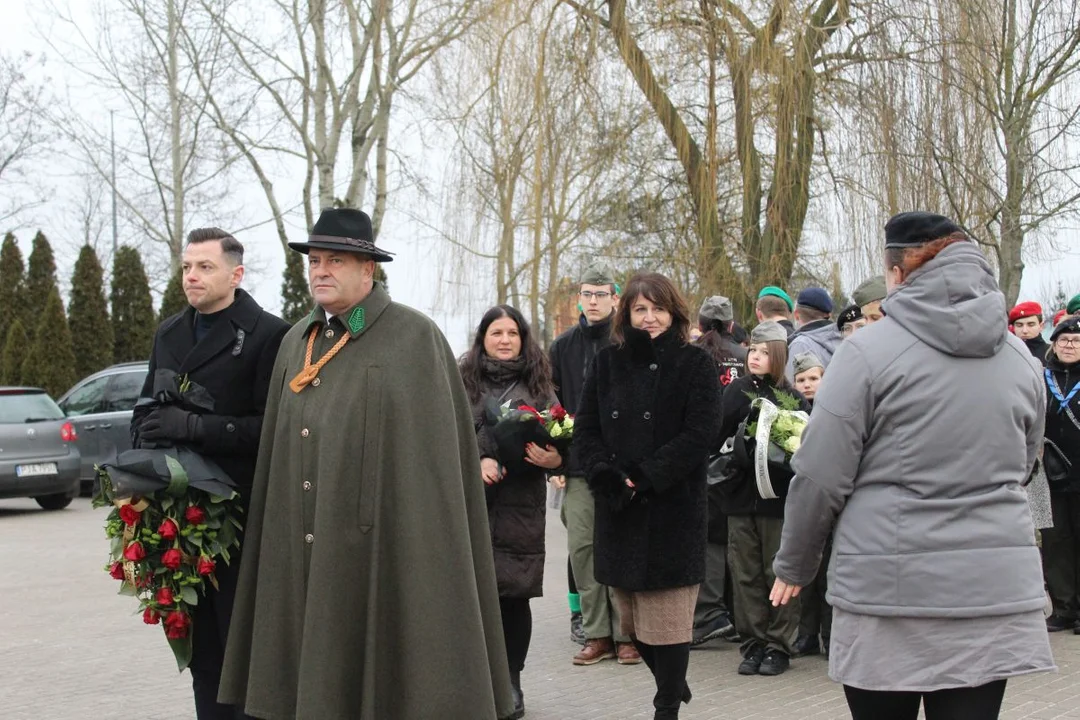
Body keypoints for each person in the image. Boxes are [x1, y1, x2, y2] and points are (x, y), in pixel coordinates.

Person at [217, 208, 516, 720]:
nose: (320, 270)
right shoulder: (297, 341)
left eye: (336, 260)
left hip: (384, 552)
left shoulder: (413, 339)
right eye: (314, 260)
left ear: (368, 270)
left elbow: (433, 472)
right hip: (308, 547)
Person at [771, 211, 1053, 720]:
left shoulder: (863, 354)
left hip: (888, 591)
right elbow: (1025, 464)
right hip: (990, 589)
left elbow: (819, 475)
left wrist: (795, 563)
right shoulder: (1022, 360)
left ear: (897, 271)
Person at [130, 228, 289, 720]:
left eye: (205, 267)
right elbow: (145, 401)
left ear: (236, 275)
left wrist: (198, 427)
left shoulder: (268, 334)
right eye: (186, 267)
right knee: (199, 651)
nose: (192, 277)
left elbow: (272, 429)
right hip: (178, 516)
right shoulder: (170, 332)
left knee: (240, 650)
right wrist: (144, 436)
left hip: (237, 516)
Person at [575, 272, 720, 720]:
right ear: (627, 314)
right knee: (633, 628)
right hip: (619, 509)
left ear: (674, 312)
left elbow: (700, 435)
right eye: (640, 309)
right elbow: (587, 429)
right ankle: (673, 685)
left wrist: (643, 476)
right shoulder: (606, 362)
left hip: (673, 509)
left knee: (671, 626)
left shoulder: (695, 363)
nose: (650, 317)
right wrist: (605, 474)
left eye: (658, 308)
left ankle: (667, 705)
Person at [460, 304, 562, 718]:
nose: (505, 340)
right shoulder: (461, 380)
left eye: (512, 333)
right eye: (496, 333)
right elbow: (443, 433)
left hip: (521, 505)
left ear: (523, 338)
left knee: (514, 600)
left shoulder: (539, 384)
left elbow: (559, 432)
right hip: (471, 504)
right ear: (482, 338)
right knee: (471, 597)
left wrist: (555, 460)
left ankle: (512, 684)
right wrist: (476, 460)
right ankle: (474, 684)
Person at [548, 264, 642, 666]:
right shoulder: (563, 346)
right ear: (578, 298)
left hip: (622, 465)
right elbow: (551, 405)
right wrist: (555, 460)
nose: (593, 301)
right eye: (587, 294)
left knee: (619, 546)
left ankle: (626, 635)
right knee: (583, 548)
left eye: (601, 294)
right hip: (578, 465)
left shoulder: (630, 342)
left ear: (615, 298)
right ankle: (596, 633)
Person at [717, 321, 809, 677]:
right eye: (752, 351)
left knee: (778, 573)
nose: (754, 357)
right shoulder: (735, 392)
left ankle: (778, 645)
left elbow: (804, 446)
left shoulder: (792, 397)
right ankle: (752, 641)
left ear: (780, 356)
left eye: (764, 353)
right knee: (745, 573)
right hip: (740, 500)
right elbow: (717, 437)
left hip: (779, 501)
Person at [691, 295, 746, 646]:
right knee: (738, 535)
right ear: (730, 325)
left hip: (704, 457)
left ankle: (709, 612)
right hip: (744, 457)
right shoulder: (747, 357)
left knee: (709, 536)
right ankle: (737, 614)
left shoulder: (692, 355)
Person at [1041, 317, 1080, 633]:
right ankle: (1063, 609)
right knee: (1054, 542)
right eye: (1064, 340)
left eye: (1077, 341)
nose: (1070, 345)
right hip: (1047, 475)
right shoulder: (1040, 377)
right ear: (1054, 343)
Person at [786, 288, 842, 381]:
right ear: (829, 315)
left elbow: (791, 389)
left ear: (796, 314)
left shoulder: (800, 345)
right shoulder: (843, 339)